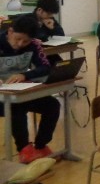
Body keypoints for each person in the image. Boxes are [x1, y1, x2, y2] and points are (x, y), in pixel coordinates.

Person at [0, 14, 59, 163]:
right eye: (17, 39)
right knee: (16, 107)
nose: (20, 44)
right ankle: (24, 149)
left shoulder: (33, 45)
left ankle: (40, 146)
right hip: (3, 97)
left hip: (20, 92)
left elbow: (45, 67)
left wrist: (25, 75)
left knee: (52, 105)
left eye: (25, 41)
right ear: (10, 32)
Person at [32, 0, 65, 64]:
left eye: (52, 14)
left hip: (48, 51)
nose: (51, 16)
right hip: (34, 53)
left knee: (62, 66)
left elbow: (61, 36)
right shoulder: (28, 20)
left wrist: (52, 28)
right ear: (40, 10)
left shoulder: (50, 19)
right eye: (49, 13)